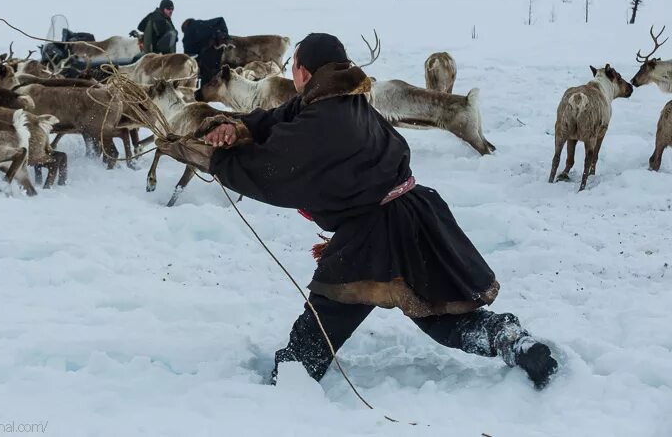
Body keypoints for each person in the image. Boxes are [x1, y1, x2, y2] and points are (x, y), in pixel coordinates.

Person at [156, 32, 559, 389]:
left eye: (295, 66)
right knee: (441, 315)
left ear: (302, 71)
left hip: (374, 233)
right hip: (415, 213)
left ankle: (288, 386)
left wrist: (209, 157)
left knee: (318, 333)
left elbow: (273, 169)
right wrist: (235, 126)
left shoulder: (324, 122)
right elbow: (276, 120)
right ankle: (508, 339)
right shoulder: (343, 100)